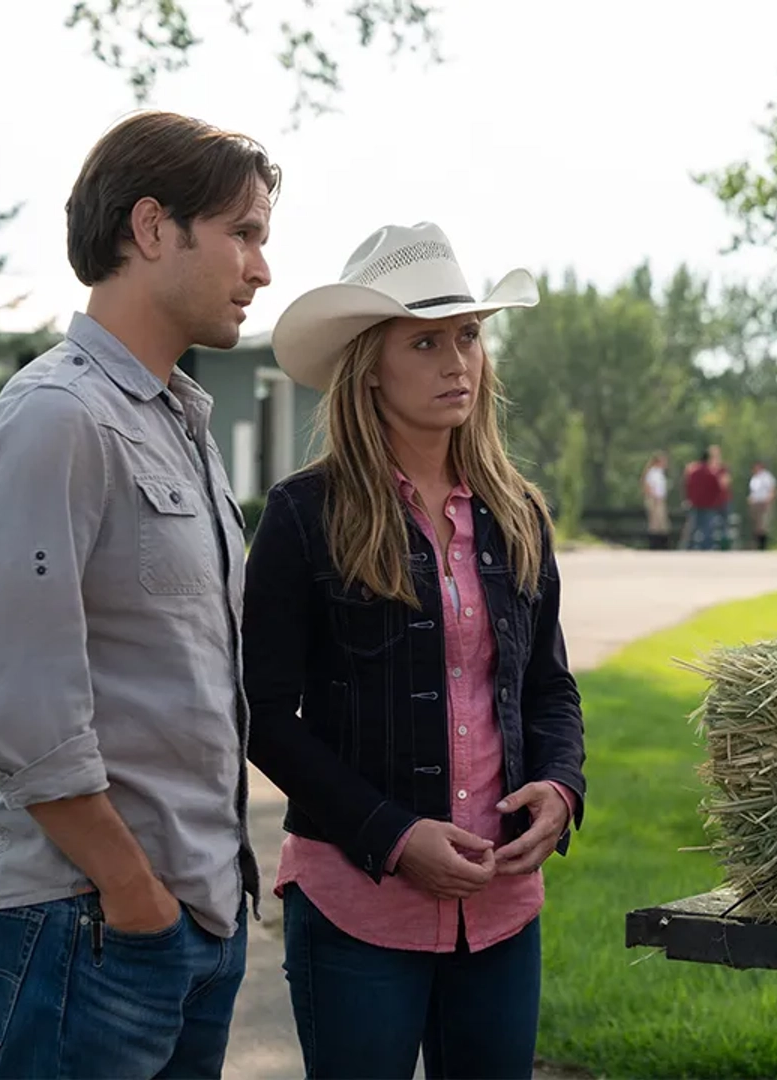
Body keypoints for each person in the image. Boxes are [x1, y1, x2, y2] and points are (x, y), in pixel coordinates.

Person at [0, 111, 276, 1079]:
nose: (262, 268)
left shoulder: (177, 422)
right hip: (91, 930)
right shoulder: (58, 420)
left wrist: (188, 909)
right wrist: (136, 900)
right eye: (245, 233)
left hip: (187, 923)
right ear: (151, 229)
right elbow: (22, 715)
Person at [242, 222, 587, 1080]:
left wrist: (561, 789)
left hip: (502, 907)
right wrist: (393, 837)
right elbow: (262, 715)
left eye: (467, 336)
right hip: (358, 905)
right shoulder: (303, 517)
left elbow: (548, 686)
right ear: (370, 363)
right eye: (425, 341)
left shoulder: (518, 516)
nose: (456, 361)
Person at [683, 445, 729, 550]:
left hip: (695, 502)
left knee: (694, 526)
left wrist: (689, 498)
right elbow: (719, 487)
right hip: (708, 504)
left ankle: (689, 546)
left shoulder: (693, 471)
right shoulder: (711, 473)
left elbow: (687, 485)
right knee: (707, 527)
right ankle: (706, 547)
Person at [642, 451, 671, 550]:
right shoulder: (653, 472)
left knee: (662, 523)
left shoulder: (659, 473)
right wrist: (654, 497)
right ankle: (655, 545)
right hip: (655, 500)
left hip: (660, 499)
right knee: (655, 523)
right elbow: (648, 486)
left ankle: (661, 545)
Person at [746, 461, 777, 551]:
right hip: (755, 503)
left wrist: (769, 500)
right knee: (756, 524)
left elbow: (772, 489)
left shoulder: (766, 476)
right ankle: (757, 544)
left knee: (763, 524)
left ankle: (763, 546)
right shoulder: (754, 478)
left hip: (764, 502)